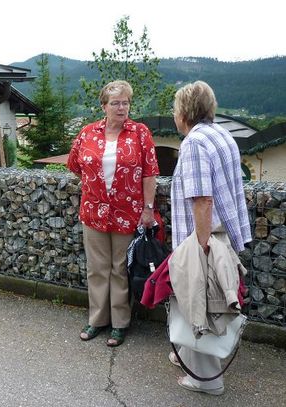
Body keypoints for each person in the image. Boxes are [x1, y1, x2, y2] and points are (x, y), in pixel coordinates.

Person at [169, 81, 251, 395]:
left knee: (200, 301)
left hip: (205, 237)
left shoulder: (193, 143)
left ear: (183, 112)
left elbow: (202, 199)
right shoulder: (221, 134)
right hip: (224, 233)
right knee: (205, 300)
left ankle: (206, 379)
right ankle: (185, 353)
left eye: (175, 109)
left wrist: (200, 250)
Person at [67, 80, 160, 347]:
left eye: (125, 102)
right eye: (115, 103)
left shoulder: (140, 133)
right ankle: (97, 320)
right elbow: (75, 164)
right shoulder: (87, 133)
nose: (121, 108)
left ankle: (119, 324)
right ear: (104, 106)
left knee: (120, 269)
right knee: (97, 268)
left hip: (127, 212)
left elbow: (150, 173)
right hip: (93, 211)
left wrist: (148, 209)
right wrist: (96, 186)